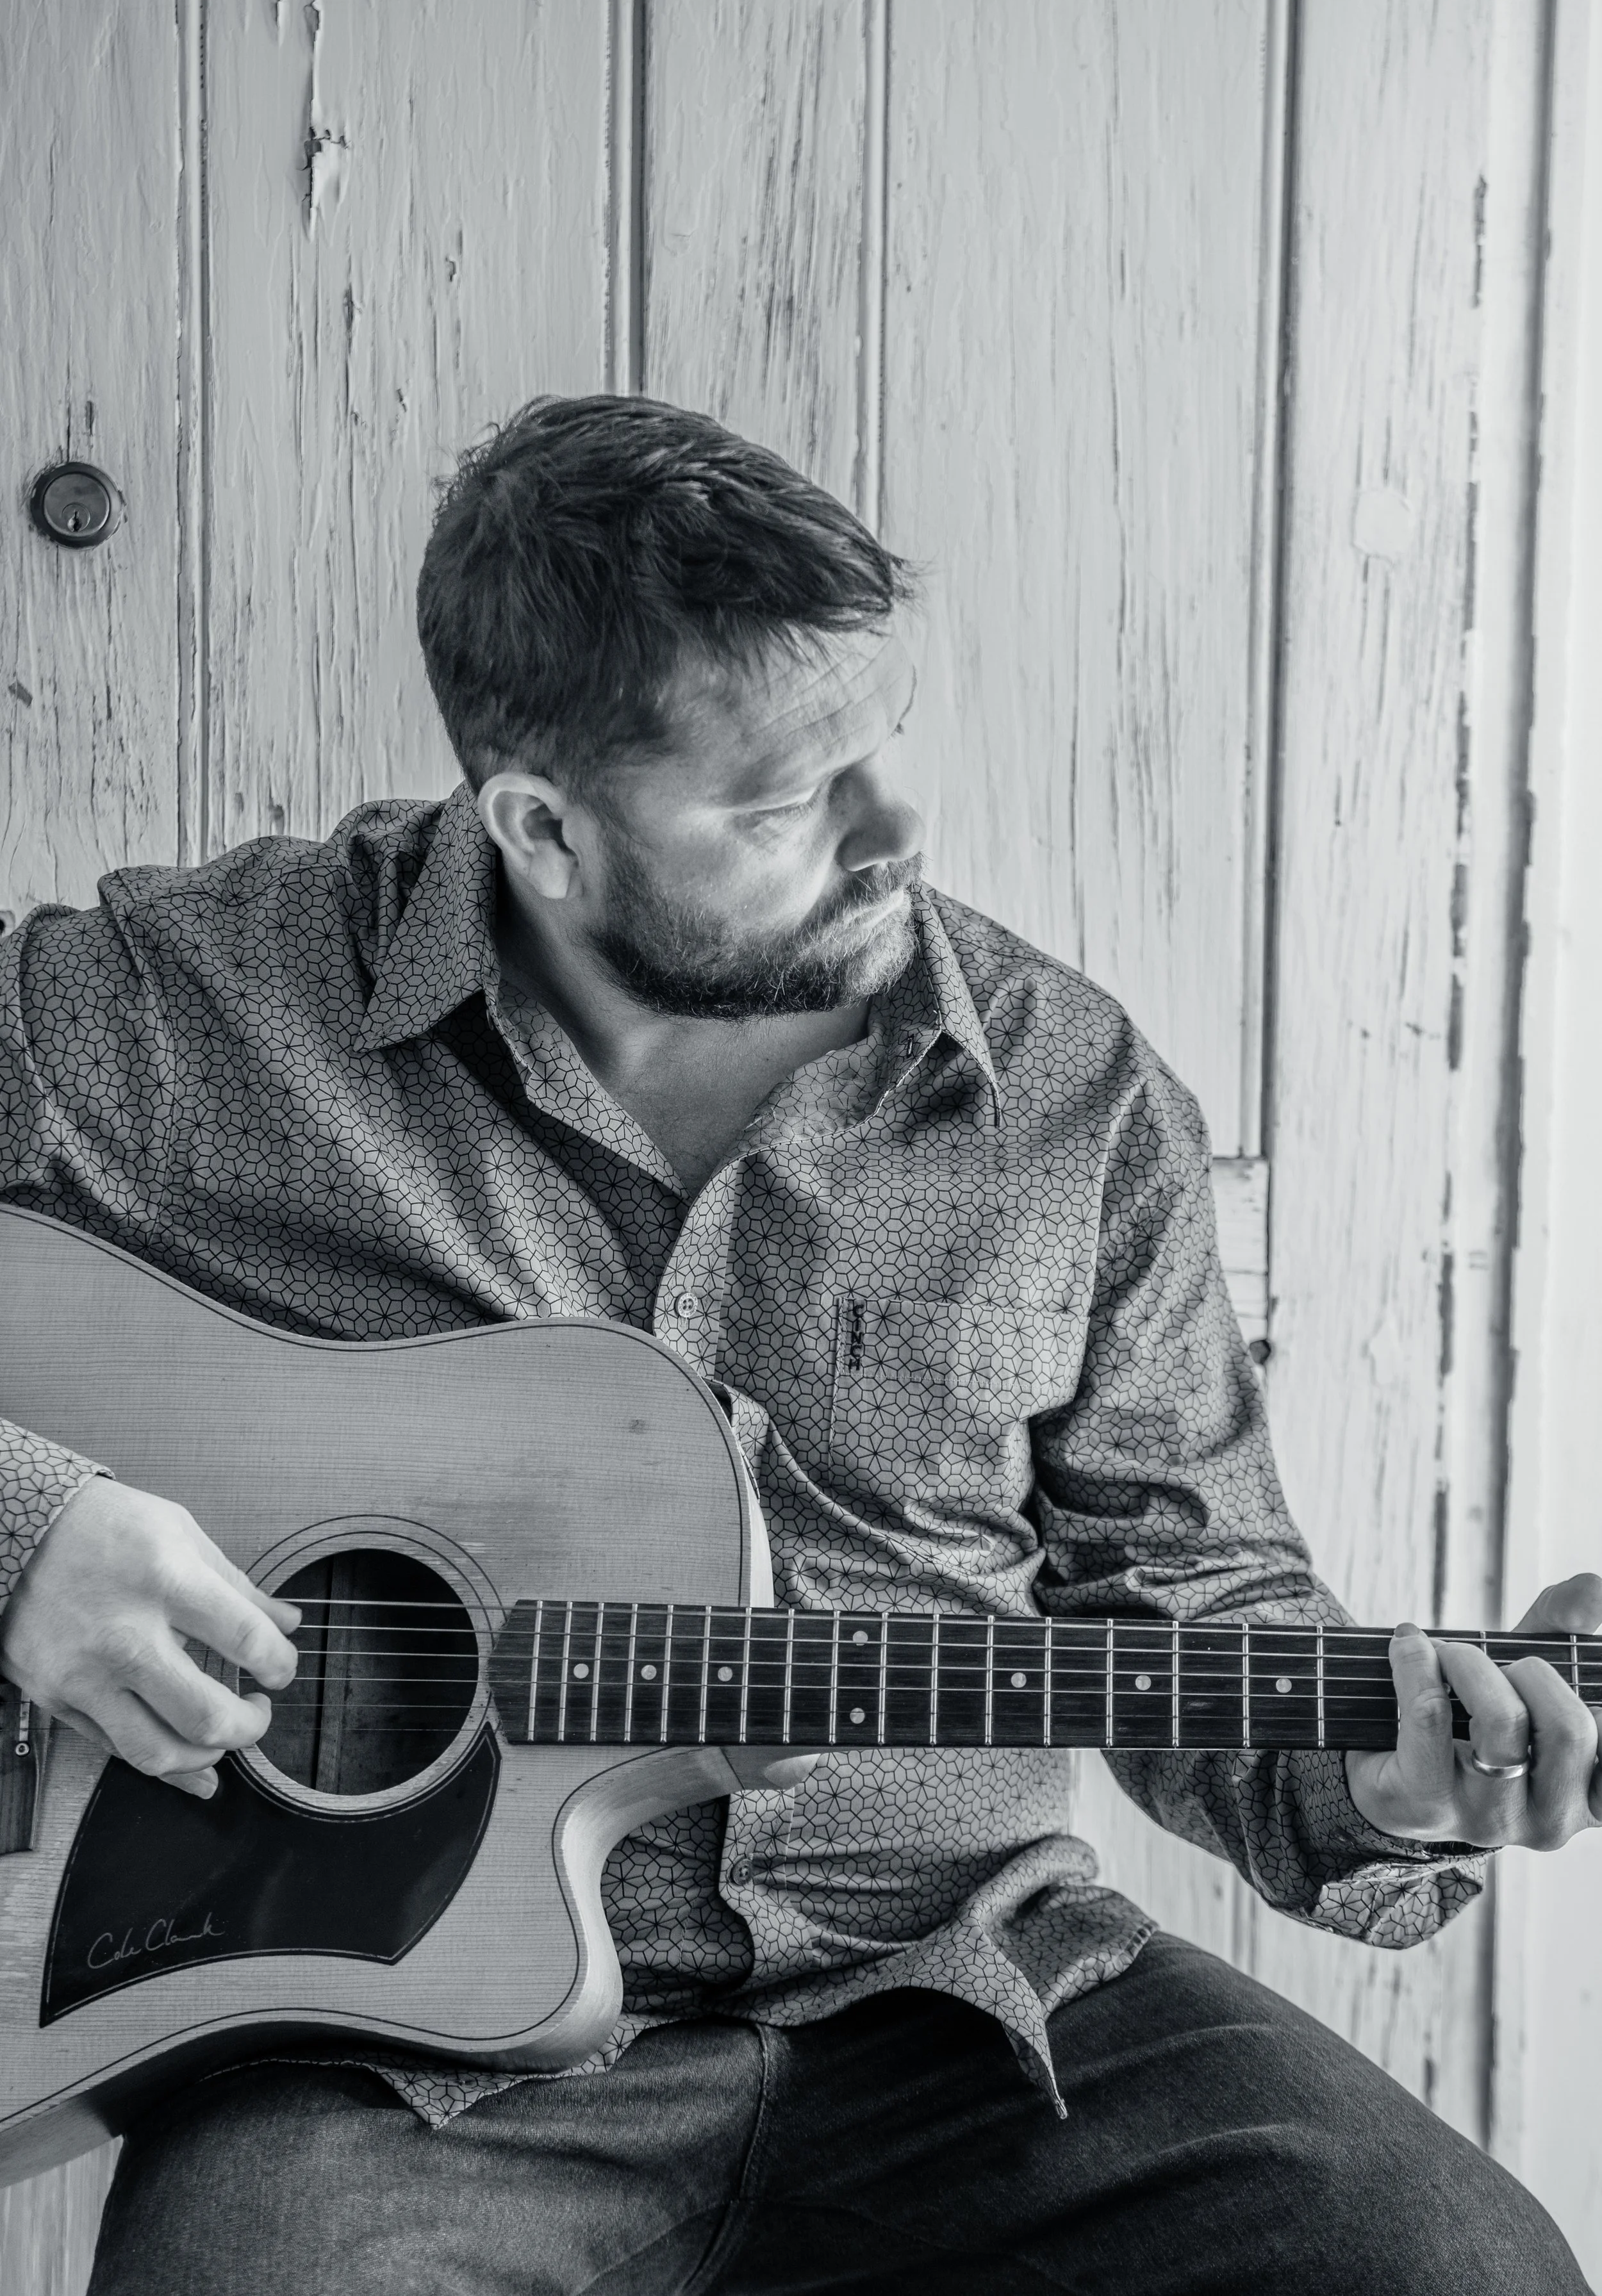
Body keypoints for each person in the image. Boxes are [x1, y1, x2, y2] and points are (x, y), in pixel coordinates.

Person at [0, 396, 1592, 2294]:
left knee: (1453, 2269)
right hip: (381, 2060)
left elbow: (1187, 1593)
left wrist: (1384, 1780)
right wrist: (34, 1528)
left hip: (964, 1989)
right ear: (541, 828)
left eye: (881, 748)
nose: (895, 829)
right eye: (781, 802)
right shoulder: (203, 1008)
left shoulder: (1068, 1093)